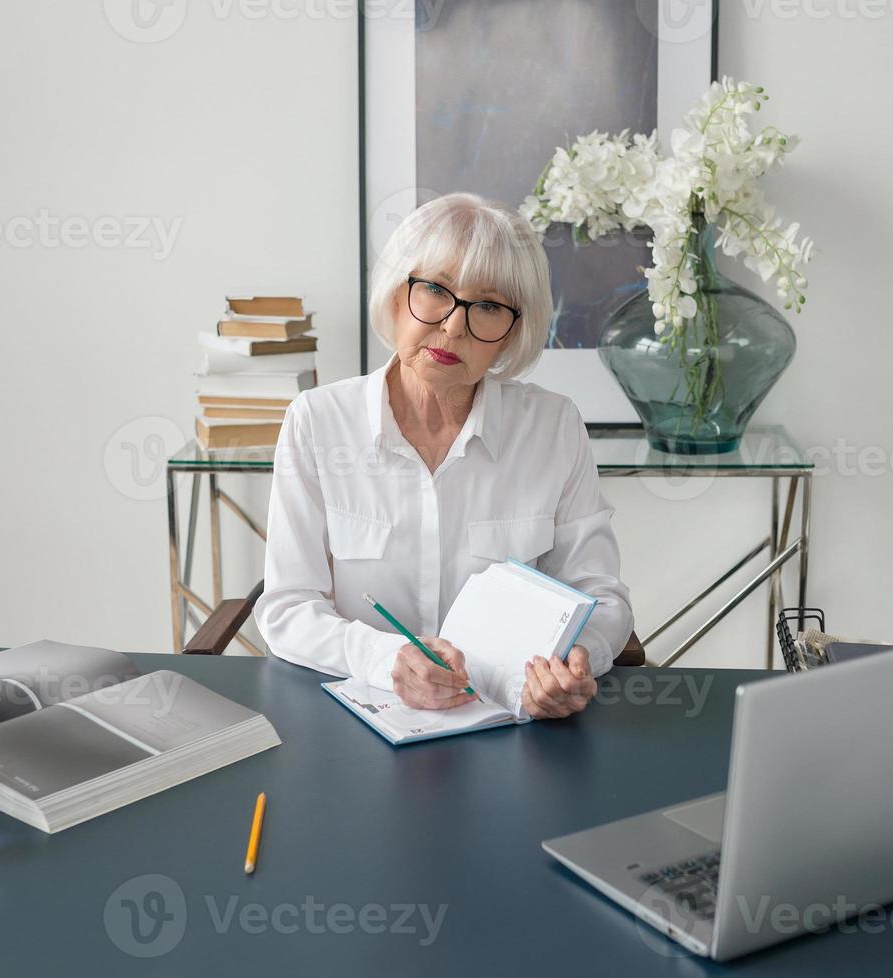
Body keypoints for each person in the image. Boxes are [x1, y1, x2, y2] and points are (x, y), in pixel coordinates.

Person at [252, 192, 633, 719]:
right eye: (435, 290)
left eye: (489, 306)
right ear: (395, 294)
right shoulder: (317, 421)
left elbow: (600, 595)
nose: (454, 326)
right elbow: (288, 609)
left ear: (512, 333)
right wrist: (388, 659)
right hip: (354, 720)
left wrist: (575, 661)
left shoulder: (553, 426)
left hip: (511, 724)